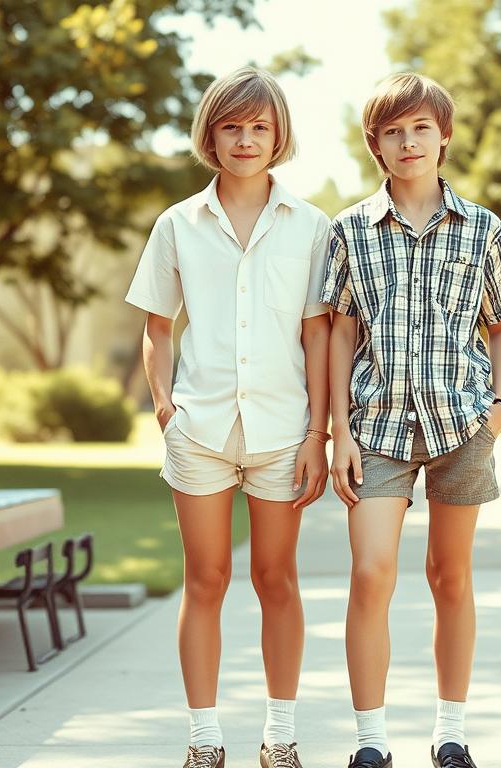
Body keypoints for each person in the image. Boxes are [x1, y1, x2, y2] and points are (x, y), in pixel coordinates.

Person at [321, 73, 501, 768]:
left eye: (420, 128)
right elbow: (338, 335)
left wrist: (498, 410)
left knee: (451, 576)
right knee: (371, 573)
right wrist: (337, 432)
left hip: (461, 427)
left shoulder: (482, 229)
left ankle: (450, 733)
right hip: (375, 430)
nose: (407, 141)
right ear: (375, 146)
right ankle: (371, 743)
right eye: (393, 131)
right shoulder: (351, 229)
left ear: (443, 136)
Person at [125, 66, 331, 768]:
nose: (246, 139)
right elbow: (158, 326)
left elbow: (319, 336)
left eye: (260, 127)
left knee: (278, 580)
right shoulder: (177, 224)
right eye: (232, 126)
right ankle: (205, 740)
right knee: (204, 580)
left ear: (279, 136)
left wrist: (318, 435)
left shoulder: (312, 226)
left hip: (282, 434)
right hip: (200, 433)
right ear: (210, 134)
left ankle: (280, 739)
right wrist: (164, 408)